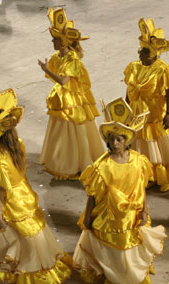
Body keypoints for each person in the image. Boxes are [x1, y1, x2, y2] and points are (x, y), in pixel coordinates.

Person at [0, 86, 72, 284]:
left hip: (10, 204)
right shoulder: (18, 145)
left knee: (15, 240)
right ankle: (33, 271)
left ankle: (23, 275)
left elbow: (1, 189)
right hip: (23, 196)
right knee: (29, 238)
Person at [73, 97, 167, 284]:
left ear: (127, 141)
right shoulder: (102, 167)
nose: (114, 143)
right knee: (115, 254)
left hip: (132, 216)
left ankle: (133, 279)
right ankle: (118, 282)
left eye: (119, 139)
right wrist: (88, 217)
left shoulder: (138, 162)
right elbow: (93, 196)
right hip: (110, 218)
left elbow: (141, 189)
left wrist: (144, 211)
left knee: (131, 250)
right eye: (111, 139)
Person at [124, 17, 169, 192]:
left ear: (154, 53)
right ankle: (150, 175)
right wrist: (125, 110)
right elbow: (129, 89)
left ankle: (166, 176)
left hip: (156, 112)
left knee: (161, 147)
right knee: (144, 146)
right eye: (140, 50)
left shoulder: (163, 69)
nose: (140, 54)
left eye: (145, 51)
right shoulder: (134, 67)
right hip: (139, 113)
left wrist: (168, 114)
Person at [38, 8, 104, 180]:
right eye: (53, 39)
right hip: (62, 97)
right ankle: (62, 161)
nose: (53, 42)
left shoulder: (71, 59)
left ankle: (76, 164)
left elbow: (63, 81)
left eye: (56, 40)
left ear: (64, 42)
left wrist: (46, 70)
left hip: (72, 99)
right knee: (62, 133)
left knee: (72, 131)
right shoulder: (57, 56)